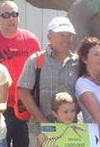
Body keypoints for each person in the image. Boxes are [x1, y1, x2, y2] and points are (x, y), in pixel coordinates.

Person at [17, 16, 80, 147]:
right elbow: (23, 92)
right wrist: (44, 122)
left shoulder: (78, 62)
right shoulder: (36, 60)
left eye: (69, 35)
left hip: (70, 132)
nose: (66, 39)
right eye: (62, 34)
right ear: (49, 36)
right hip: (40, 131)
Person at [0, 1, 42, 147]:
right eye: (6, 15)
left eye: (15, 14)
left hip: (25, 106)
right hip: (1, 106)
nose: (11, 18)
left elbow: (39, 73)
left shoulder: (31, 40)